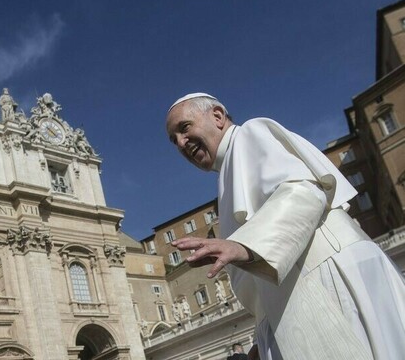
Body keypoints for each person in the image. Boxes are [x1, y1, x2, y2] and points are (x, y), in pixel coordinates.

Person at [166, 93, 405, 360]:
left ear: (218, 116)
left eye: (184, 128)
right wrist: (265, 339)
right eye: (173, 140)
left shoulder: (250, 134)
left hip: (328, 282)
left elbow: (303, 191)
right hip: (299, 306)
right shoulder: (226, 176)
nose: (180, 142)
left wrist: (244, 245)